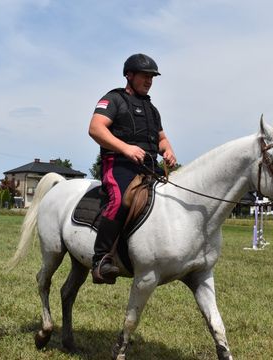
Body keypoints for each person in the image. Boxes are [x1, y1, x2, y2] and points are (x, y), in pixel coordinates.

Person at [88, 53, 177, 284]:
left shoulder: (152, 110)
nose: (149, 81)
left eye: (152, 77)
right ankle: (100, 261)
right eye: (145, 76)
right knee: (120, 201)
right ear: (129, 75)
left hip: (149, 168)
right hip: (118, 165)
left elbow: (162, 139)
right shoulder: (113, 99)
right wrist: (126, 149)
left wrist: (168, 150)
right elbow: (96, 129)